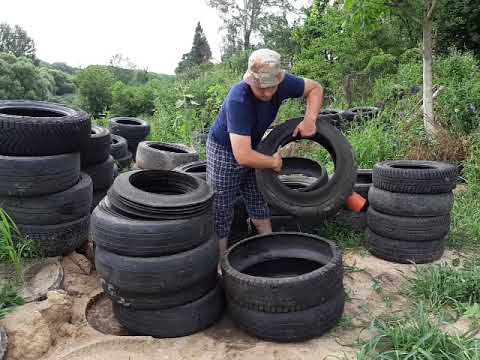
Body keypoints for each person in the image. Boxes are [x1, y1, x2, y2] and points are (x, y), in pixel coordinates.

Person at [206, 48, 324, 255]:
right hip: (225, 150)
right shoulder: (238, 99)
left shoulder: (283, 82)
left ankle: (270, 252)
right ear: (250, 80)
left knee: (258, 199)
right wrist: (273, 162)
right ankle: (220, 264)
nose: (268, 93)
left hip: (253, 146)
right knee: (221, 209)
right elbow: (242, 156)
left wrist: (309, 119)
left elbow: (315, 88)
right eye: (262, 88)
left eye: (273, 87)